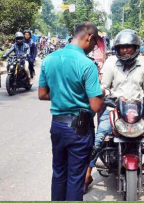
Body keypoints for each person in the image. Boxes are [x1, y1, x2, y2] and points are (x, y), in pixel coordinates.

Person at [84, 29, 144, 193]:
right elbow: (104, 86)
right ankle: (88, 174)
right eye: (122, 47)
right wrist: (104, 94)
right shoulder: (111, 63)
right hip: (114, 109)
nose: (125, 50)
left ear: (135, 48)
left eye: (129, 47)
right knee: (99, 139)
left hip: (137, 111)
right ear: (117, 49)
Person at [38, 22, 103, 201]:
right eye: (95, 43)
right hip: (79, 130)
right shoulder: (87, 65)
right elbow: (96, 106)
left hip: (57, 125)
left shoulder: (49, 59)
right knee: (75, 178)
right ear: (89, 37)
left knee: (59, 173)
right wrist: (100, 94)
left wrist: (61, 94)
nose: (93, 47)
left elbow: (42, 94)